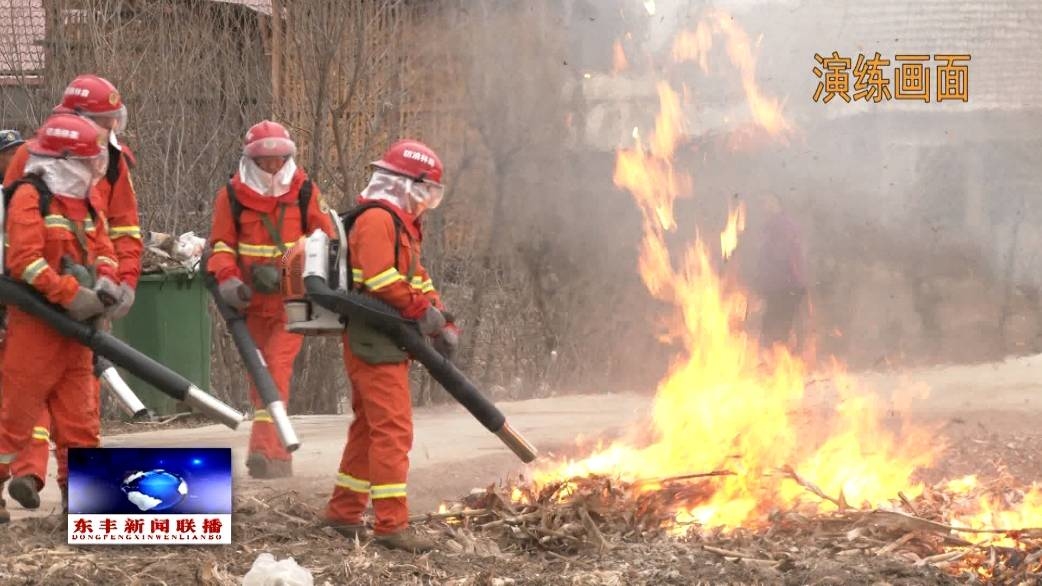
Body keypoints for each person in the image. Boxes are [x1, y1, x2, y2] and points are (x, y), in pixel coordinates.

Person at [1, 74, 141, 511]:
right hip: (36, 321)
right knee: (14, 418)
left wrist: (112, 284)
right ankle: (20, 479)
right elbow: (20, 257)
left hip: (78, 328)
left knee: (81, 420)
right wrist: (68, 293)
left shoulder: (94, 186)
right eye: (102, 122)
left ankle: (88, 506)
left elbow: (112, 239)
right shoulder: (31, 190)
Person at [324, 139, 459, 553]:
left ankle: (344, 513)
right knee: (393, 432)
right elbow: (381, 279)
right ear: (405, 184)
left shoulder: (400, 223)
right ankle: (391, 526)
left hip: (388, 336)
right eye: (426, 192)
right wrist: (423, 313)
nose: (426, 203)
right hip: (375, 337)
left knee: (369, 430)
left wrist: (442, 317)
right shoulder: (378, 220)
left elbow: (415, 277)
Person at [206, 120, 333, 478]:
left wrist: (308, 281)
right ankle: (278, 459)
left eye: (279, 159)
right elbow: (221, 246)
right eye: (266, 160)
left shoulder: (305, 191)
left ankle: (264, 452)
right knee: (259, 375)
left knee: (275, 368)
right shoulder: (231, 196)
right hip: (249, 302)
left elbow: (324, 243)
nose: (274, 166)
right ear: (252, 160)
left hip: (292, 303)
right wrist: (229, 281)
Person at [755, 191, 807, 353]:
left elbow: (784, 255)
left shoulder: (783, 225)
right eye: (762, 202)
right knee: (772, 328)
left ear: (778, 204)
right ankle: (776, 365)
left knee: (778, 329)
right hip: (776, 287)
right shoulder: (770, 226)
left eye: (768, 201)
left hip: (786, 286)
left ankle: (779, 366)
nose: (764, 205)